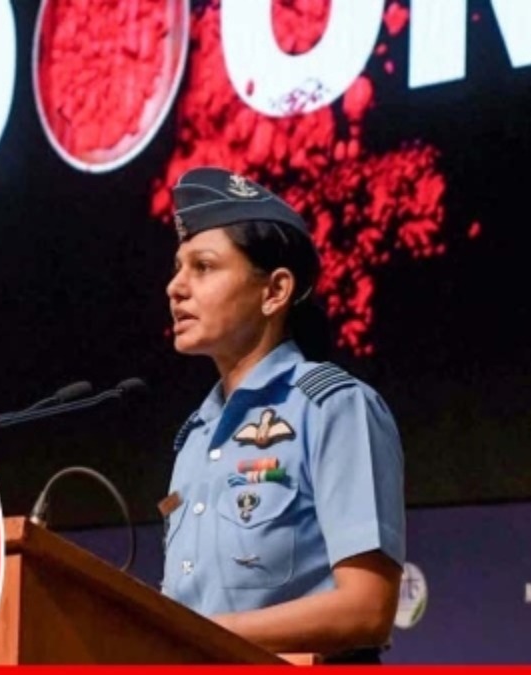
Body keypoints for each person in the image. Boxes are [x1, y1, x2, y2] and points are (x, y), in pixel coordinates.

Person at [159, 167, 406, 664]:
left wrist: (194, 635)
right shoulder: (195, 436)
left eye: (203, 267)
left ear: (274, 291)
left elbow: (368, 608)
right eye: (178, 267)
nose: (175, 287)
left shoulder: (334, 407)